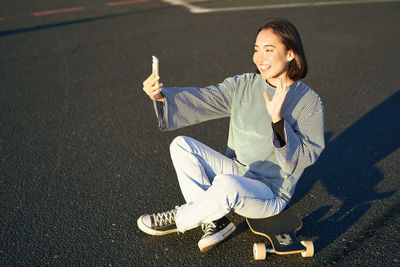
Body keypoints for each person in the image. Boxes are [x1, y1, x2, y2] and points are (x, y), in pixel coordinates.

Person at [137, 18, 325, 253]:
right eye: (257, 50)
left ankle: (181, 219)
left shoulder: (308, 102)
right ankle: (215, 222)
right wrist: (161, 96)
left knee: (225, 184)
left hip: (270, 191)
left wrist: (278, 121)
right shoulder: (244, 85)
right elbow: (204, 98)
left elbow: (305, 158)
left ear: (290, 54)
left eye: (269, 50)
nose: (260, 58)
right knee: (181, 145)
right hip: (240, 171)